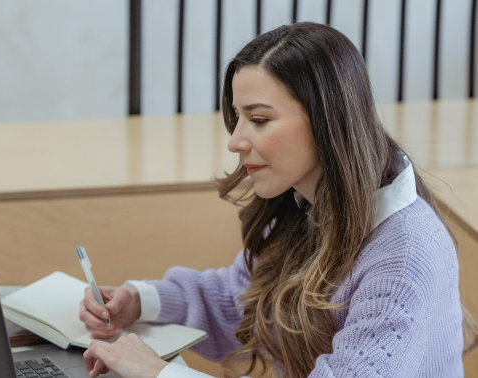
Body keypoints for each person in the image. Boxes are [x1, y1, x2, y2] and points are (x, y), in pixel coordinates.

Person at [79, 22, 477, 378]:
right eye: (237, 118)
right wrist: (140, 302)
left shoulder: (404, 256)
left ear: (327, 119)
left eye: (260, 120)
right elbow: (246, 301)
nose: (235, 141)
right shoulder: (304, 207)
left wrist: (159, 374)